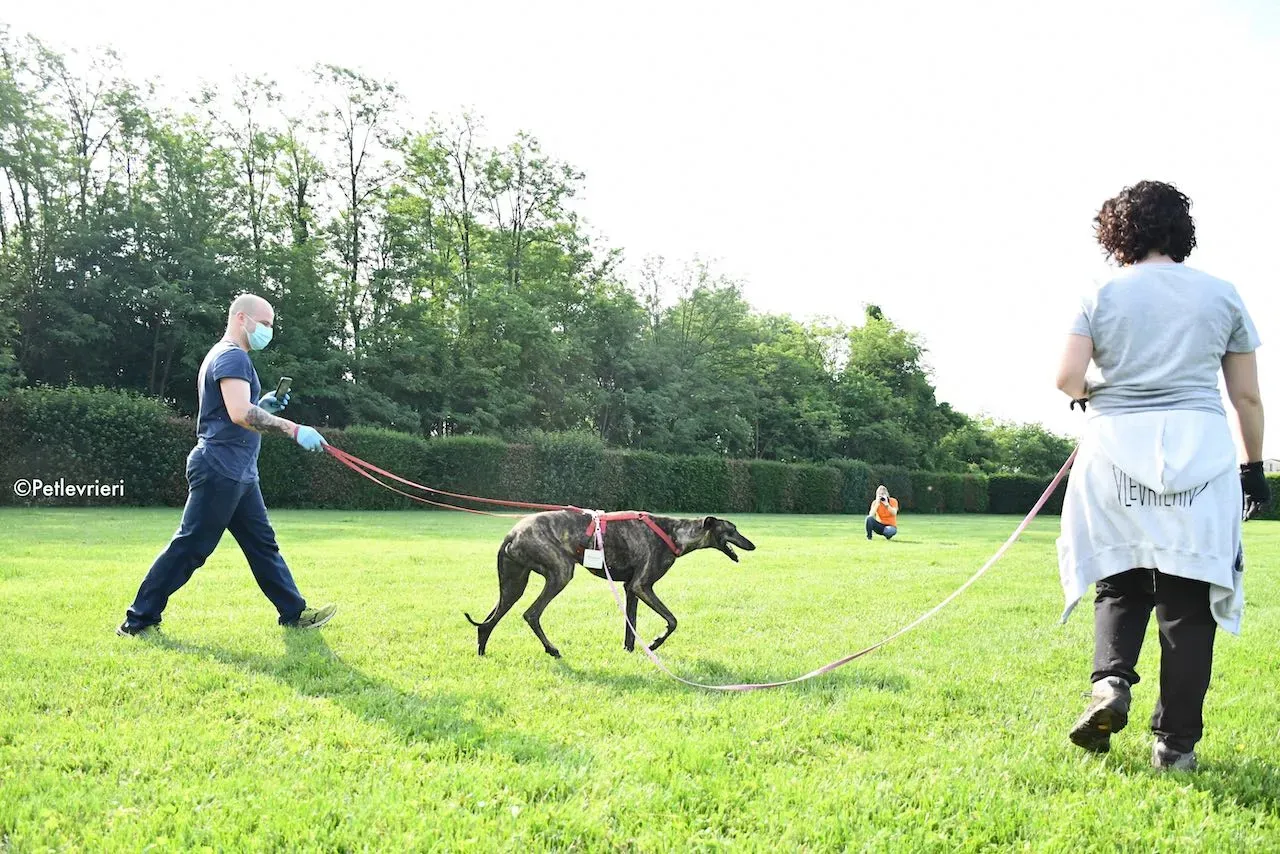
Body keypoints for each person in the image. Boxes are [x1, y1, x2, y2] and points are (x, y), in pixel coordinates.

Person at [1054, 180, 1269, 771]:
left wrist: (1092, 395)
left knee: (1120, 582)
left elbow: (1067, 377)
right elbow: (1246, 397)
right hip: (1200, 450)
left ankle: (1111, 683)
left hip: (1115, 449)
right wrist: (1254, 470)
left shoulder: (1100, 292)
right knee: (1188, 600)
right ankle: (1175, 746)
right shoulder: (1221, 295)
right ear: (1181, 231)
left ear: (1117, 233)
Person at [117, 294, 338, 637]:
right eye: (264, 324)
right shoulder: (232, 356)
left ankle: (294, 613)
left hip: (240, 472)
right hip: (221, 468)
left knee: (263, 545)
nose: (268, 331)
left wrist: (263, 404)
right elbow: (239, 413)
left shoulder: (230, 358)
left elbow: (238, 409)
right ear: (241, 318)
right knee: (191, 547)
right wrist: (293, 429)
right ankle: (138, 620)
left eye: (271, 326)